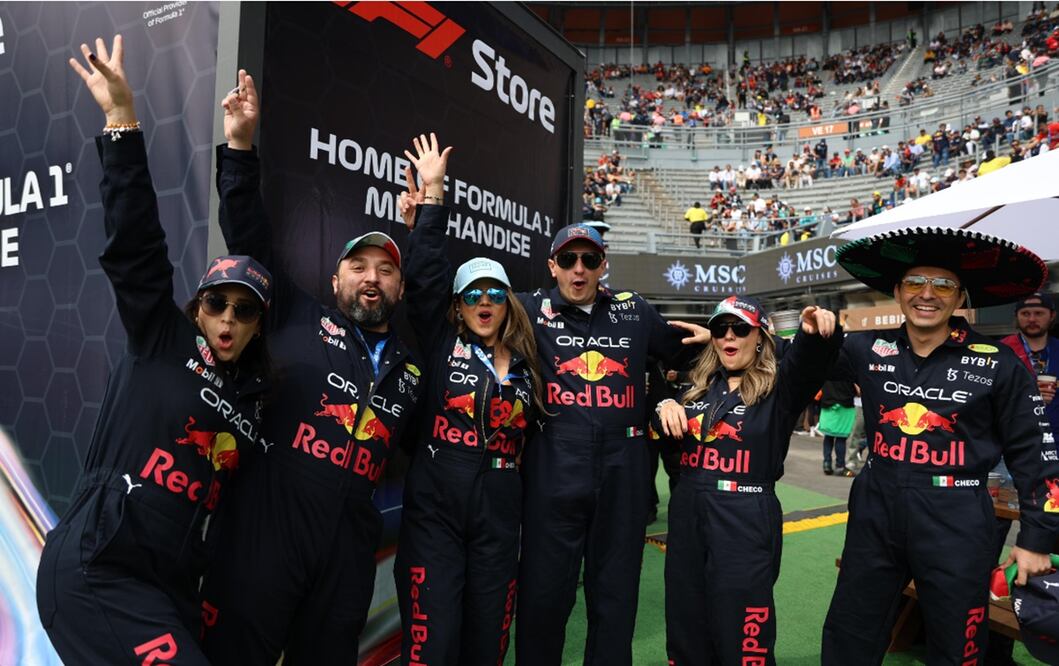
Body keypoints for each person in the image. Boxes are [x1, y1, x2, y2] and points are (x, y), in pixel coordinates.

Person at [38, 36, 272, 664]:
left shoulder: (253, 403)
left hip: (165, 590)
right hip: (96, 571)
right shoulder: (162, 340)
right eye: (216, 304)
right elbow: (137, 244)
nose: (227, 319)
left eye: (244, 311)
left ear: (257, 327)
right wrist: (121, 120)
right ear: (196, 310)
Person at [197, 71, 425, 665]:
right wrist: (241, 148)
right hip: (262, 547)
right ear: (335, 278)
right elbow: (247, 236)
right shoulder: (295, 316)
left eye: (385, 270)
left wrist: (426, 221)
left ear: (400, 287)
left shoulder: (409, 369)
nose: (371, 278)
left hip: (347, 560)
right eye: (359, 266)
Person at [822, 227, 1059, 664]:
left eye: (944, 284)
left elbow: (1035, 454)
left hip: (958, 514)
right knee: (851, 627)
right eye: (915, 282)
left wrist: (1036, 539)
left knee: (958, 639)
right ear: (897, 291)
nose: (927, 294)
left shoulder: (998, 362)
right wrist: (727, 340)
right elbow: (783, 360)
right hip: (877, 506)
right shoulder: (862, 347)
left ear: (960, 297)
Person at [391, 134, 543, 665]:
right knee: (430, 646)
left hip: (501, 510)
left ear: (509, 303)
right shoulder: (441, 338)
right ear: (457, 306)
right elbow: (426, 272)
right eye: (473, 294)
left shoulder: (530, 360)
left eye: (495, 293)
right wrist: (433, 195)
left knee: (487, 644)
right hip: (436, 503)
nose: (484, 301)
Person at [515, 224, 697, 666]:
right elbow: (450, 311)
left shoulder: (632, 309)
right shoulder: (525, 309)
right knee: (542, 600)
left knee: (615, 601)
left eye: (590, 260)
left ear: (603, 265)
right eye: (570, 260)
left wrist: (714, 343)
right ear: (552, 265)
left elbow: (683, 354)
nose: (580, 270)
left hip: (623, 473)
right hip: (554, 469)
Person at [656, 297, 841, 665]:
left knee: (741, 627)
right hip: (689, 508)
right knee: (686, 619)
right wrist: (665, 406)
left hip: (745, 513)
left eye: (740, 328)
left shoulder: (780, 386)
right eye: (720, 328)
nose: (729, 336)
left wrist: (812, 332)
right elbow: (658, 428)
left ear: (759, 336)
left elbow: (811, 360)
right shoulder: (697, 386)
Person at [1001, 292, 1059, 430]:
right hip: (1017, 437)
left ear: (1052, 316)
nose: (1032, 319)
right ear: (1016, 317)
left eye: (1039, 313)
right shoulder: (1001, 351)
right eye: (1025, 314)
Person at [818, 380, 858, 476]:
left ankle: (827, 463)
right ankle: (840, 465)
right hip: (845, 405)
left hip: (828, 404)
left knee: (828, 436)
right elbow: (858, 390)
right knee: (841, 438)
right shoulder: (849, 368)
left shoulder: (827, 367)